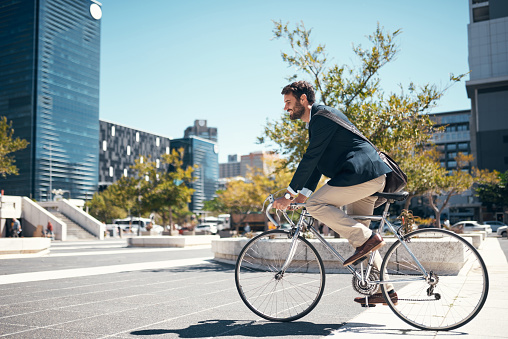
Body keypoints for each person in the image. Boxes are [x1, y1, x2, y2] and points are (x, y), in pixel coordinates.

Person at [272, 80, 397, 306]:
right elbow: (317, 164)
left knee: (318, 206)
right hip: (365, 178)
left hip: (362, 176)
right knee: (364, 243)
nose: (285, 108)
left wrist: (289, 195)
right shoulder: (319, 121)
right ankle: (386, 290)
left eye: (288, 102)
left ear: (303, 99)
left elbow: (309, 159)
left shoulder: (321, 117)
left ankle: (369, 239)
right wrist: (300, 197)